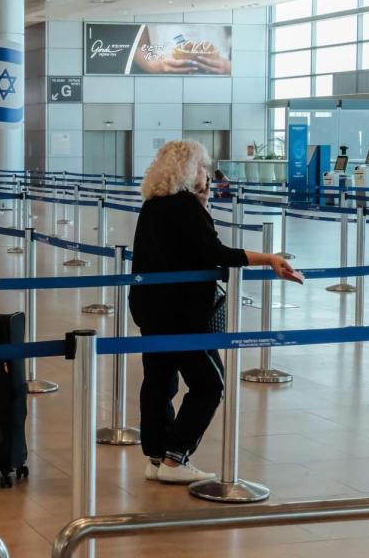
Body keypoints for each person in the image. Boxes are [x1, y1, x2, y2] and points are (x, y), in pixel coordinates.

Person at [128, 140, 302, 484]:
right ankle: (176, 459)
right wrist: (268, 259)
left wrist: (202, 203)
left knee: (159, 381)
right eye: (203, 167)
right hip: (182, 314)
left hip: (151, 308)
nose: (207, 173)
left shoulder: (153, 206)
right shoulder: (184, 207)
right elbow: (214, 252)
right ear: (191, 171)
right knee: (210, 383)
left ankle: (156, 456)